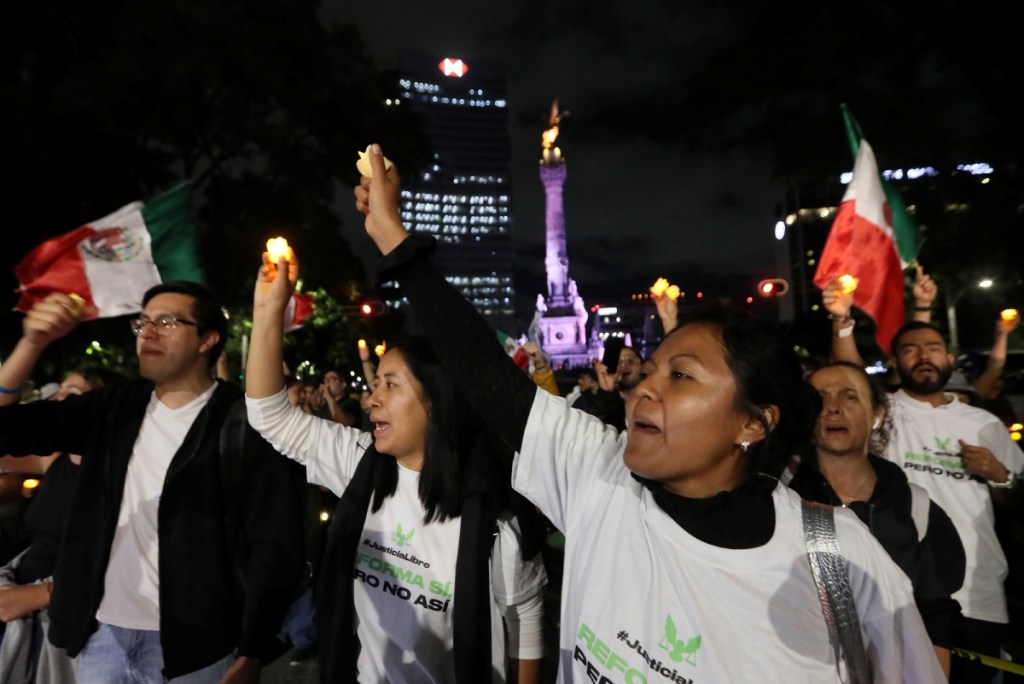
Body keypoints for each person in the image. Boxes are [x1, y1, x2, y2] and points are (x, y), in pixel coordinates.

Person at [353, 144, 945, 681]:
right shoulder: (599, 477)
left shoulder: (841, 565)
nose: (643, 391)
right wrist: (396, 243)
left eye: (680, 376)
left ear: (754, 422)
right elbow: (486, 376)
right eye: (652, 371)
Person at [245, 248, 548, 683]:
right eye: (375, 385)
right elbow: (268, 415)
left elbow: (525, 623)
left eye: (391, 385)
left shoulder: (495, 520)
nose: (372, 399)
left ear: (436, 403)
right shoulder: (359, 465)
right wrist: (269, 309)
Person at [0, 285, 305, 682]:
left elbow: (274, 542)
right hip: (102, 636)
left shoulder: (243, 423)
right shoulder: (114, 407)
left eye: (166, 322)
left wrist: (252, 651)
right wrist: (32, 343)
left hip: (197, 649)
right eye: (142, 322)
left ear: (207, 340)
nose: (148, 332)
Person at [787, 361, 965, 677]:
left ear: (877, 415)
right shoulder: (781, 500)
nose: (833, 409)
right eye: (820, 398)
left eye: (849, 397)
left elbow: (933, 616)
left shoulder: (915, 507)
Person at [883, 321, 1024, 683]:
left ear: (948, 359)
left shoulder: (984, 423)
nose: (923, 355)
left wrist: (1000, 475)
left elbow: (1015, 500)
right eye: (910, 349)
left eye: (932, 347)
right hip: (900, 588)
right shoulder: (879, 416)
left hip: (979, 592)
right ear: (894, 362)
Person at [0, 360, 124, 684]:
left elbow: (122, 558)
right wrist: (29, 347)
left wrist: (42, 594)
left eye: (72, 393)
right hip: (17, 595)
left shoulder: (118, 475)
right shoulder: (52, 457)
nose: (57, 400)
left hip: (61, 614)